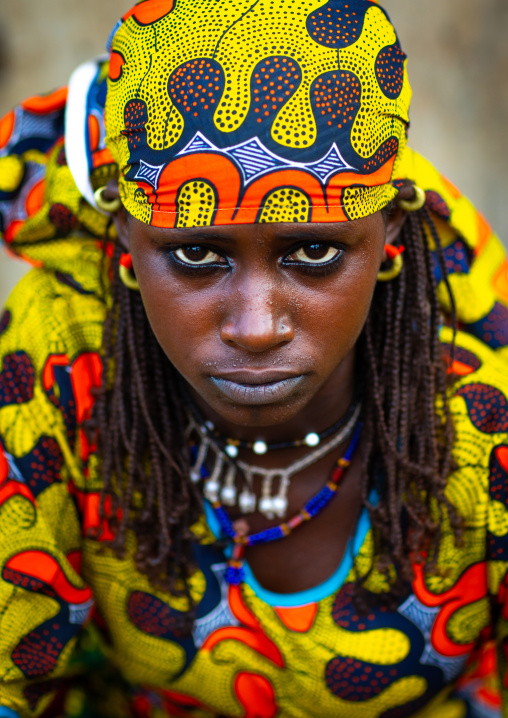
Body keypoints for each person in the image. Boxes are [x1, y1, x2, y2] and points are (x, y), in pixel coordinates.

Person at [0, 1, 508, 716]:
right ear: (123, 232)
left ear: (390, 228)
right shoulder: (64, 363)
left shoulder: (485, 419)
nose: (257, 327)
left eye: (314, 251)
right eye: (197, 254)